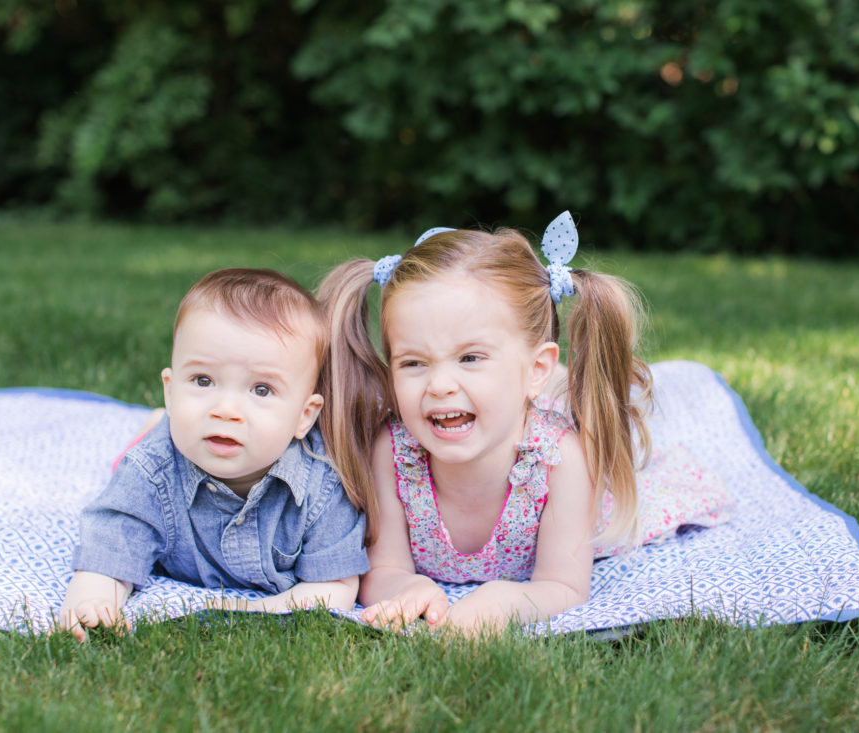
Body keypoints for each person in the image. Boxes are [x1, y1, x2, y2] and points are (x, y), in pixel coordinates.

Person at [317, 211, 654, 633]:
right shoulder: (394, 452)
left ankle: (551, 383)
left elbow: (564, 585)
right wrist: (408, 589)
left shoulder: (558, 460)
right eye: (413, 362)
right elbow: (383, 568)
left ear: (536, 368)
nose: (439, 385)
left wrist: (505, 600)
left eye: (470, 358)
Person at [58, 268, 368, 640]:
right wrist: (93, 601)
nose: (226, 409)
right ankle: (155, 424)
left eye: (261, 390)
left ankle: (158, 420)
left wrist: (251, 613)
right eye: (203, 381)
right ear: (170, 391)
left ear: (305, 416)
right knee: (135, 456)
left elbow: (334, 587)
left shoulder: (323, 482)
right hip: (161, 448)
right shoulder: (150, 471)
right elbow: (109, 550)